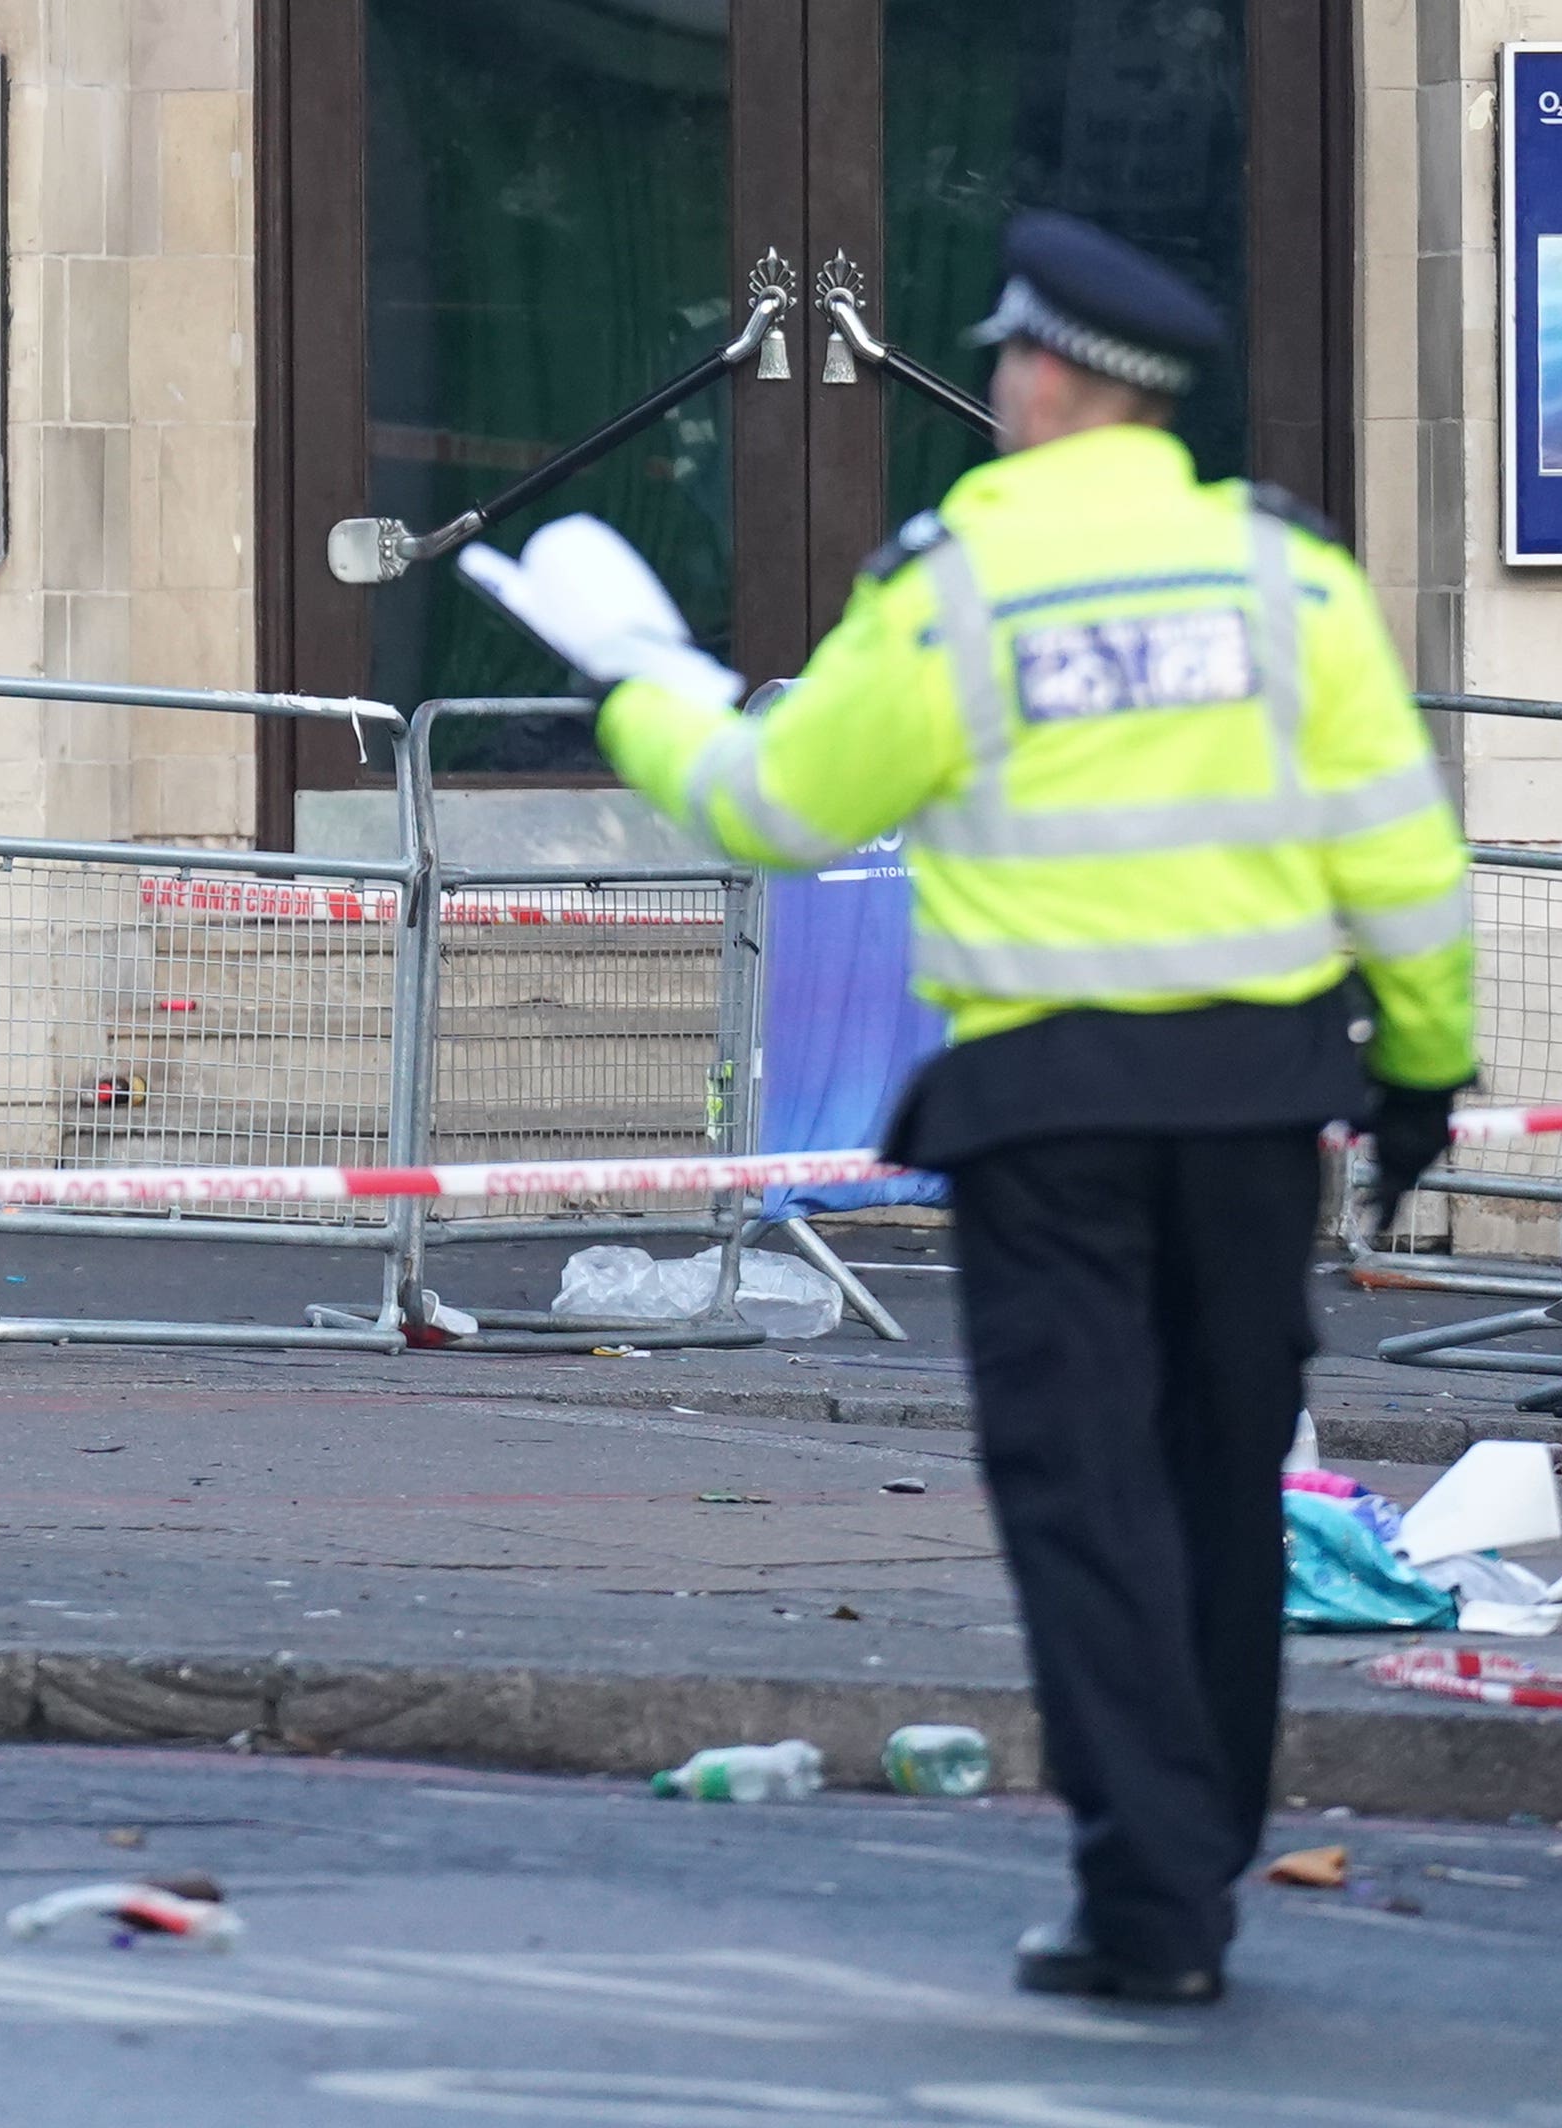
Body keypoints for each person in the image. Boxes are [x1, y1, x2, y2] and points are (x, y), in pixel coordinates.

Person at [461, 211, 1480, 2008]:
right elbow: (1400, 851)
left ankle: (1149, 1888)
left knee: (1083, 1493)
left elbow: (776, 804)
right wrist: (1420, 1068)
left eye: (1012, 356)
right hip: (1254, 1108)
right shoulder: (1286, 577)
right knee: (1223, 1482)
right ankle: (1200, 1843)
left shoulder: (959, 582)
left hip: (1052, 1112)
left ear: (1051, 380)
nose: (999, 381)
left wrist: (632, 685)